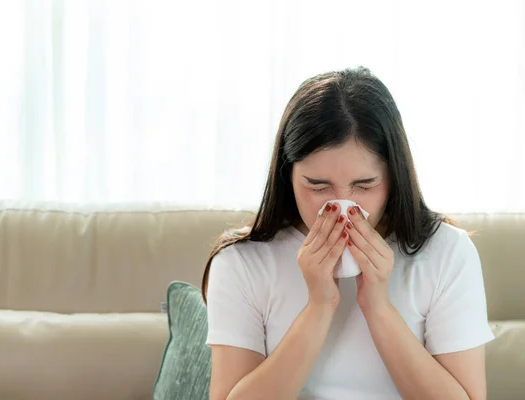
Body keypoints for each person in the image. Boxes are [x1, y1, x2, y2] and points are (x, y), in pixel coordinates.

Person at [202, 67, 494, 400]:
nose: (341, 206)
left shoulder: (447, 253)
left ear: (394, 176)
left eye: (364, 185)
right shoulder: (242, 261)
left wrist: (378, 307)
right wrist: (318, 307)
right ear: (287, 176)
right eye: (317, 186)